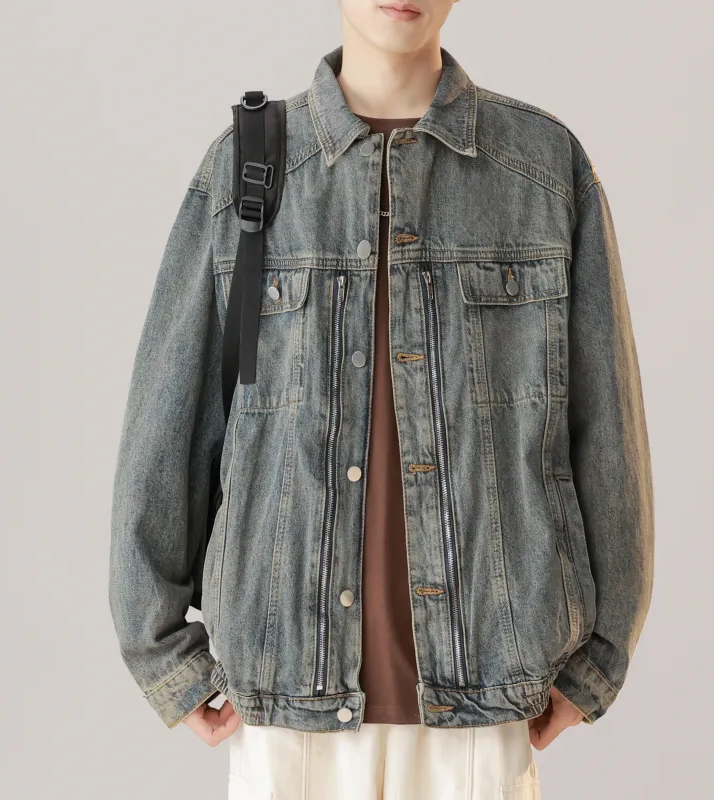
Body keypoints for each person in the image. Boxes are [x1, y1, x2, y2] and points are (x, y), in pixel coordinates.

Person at [109, 1, 655, 798]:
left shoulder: (541, 167)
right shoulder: (248, 167)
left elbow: (608, 428)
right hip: (287, 696)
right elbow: (169, 424)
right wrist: (163, 655)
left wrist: (600, 658)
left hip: (484, 694)